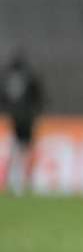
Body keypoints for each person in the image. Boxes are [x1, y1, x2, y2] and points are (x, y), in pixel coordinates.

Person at [1, 50, 44, 194]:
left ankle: (15, 181)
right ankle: (20, 182)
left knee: (17, 152)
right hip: (27, 120)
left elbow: (5, 98)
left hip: (17, 119)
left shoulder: (10, 79)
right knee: (23, 152)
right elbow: (39, 98)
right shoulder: (29, 78)